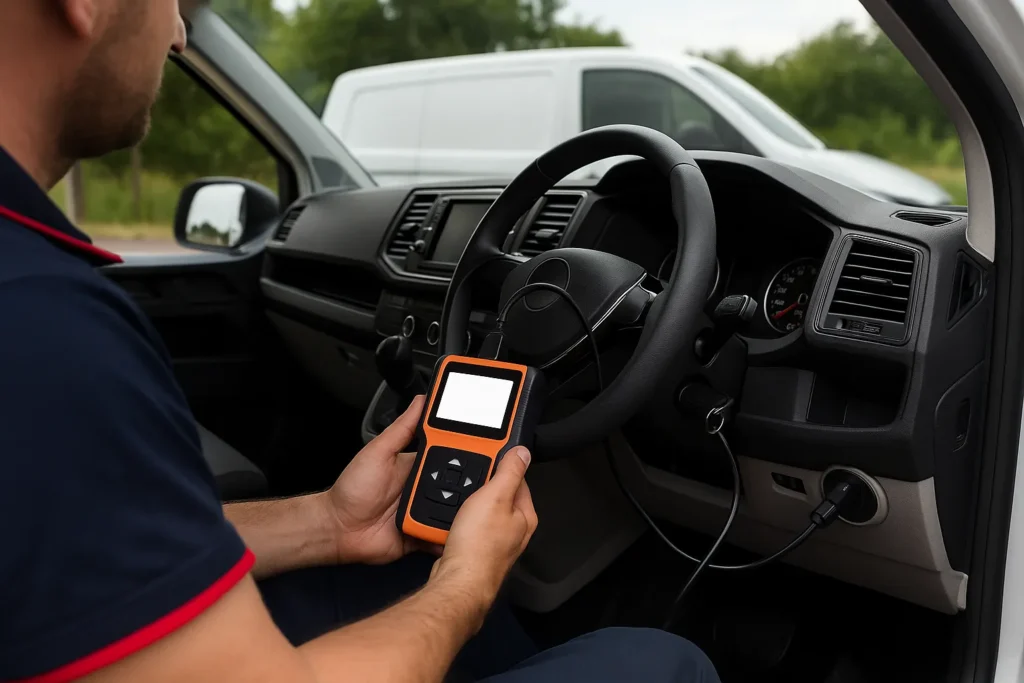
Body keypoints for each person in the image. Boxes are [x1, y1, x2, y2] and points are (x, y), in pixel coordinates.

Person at [0, 1, 722, 682]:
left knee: (405, 571)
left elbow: (86, 547)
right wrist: (469, 580)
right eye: (175, 3)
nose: (179, 34)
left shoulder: (32, 292)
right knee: (662, 660)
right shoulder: (41, 325)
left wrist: (326, 522)